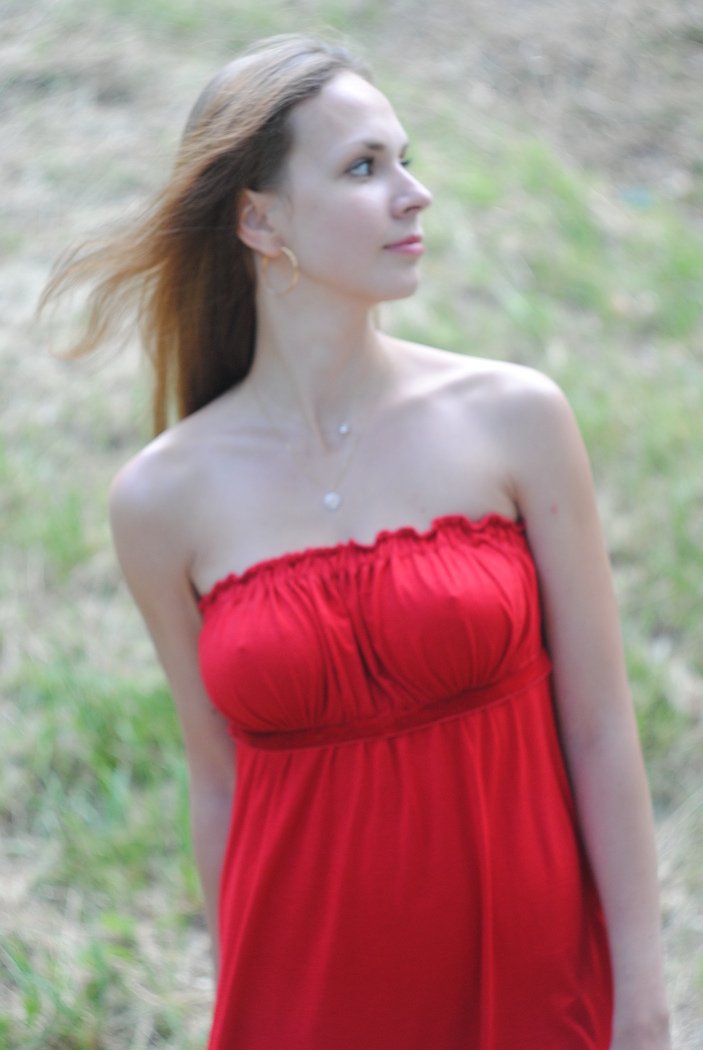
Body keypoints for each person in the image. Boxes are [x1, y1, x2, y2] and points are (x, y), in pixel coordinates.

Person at [41, 34, 670, 1050]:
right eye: (364, 168)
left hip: (525, 977)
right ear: (259, 220)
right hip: (307, 994)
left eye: (404, 159)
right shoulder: (160, 500)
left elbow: (599, 726)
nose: (415, 195)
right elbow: (218, 780)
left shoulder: (515, 419)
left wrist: (642, 999)